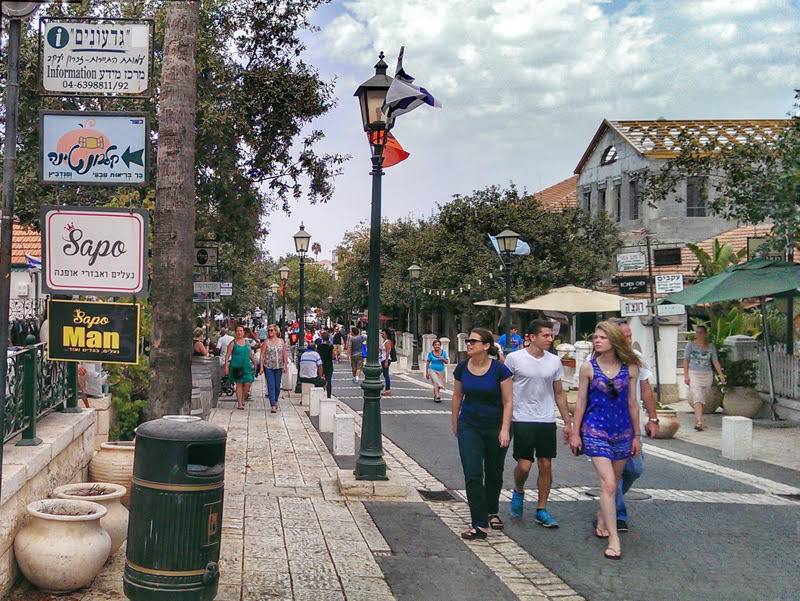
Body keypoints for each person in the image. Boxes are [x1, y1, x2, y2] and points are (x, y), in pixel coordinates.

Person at [569, 321, 640, 560]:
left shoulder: (630, 367)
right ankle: (614, 538)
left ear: (614, 341)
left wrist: (637, 435)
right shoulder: (588, 368)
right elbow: (580, 402)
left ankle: (603, 514)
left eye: (602, 337)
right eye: (595, 337)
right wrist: (575, 432)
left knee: (614, 482)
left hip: (621, 430)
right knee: (609, 483)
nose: (597, 341)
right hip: (595, 429)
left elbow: (632, 402)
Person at [504, 319, 571, 528]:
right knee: (524, 466)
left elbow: (559, 393)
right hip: (522, 418)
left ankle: (542, 509)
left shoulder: (554, 361)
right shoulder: (514, 358)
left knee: (546, 464)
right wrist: (504, 423)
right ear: (532, 337)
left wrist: (568, 423)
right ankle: (519, 489)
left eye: (551, 335)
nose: (550, 339)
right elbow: (505, 390)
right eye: (545, 335)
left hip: (545, 419)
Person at [452, 328, 513, 540]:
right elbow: (457, 396)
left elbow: (508, 401)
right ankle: (479, 523)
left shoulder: (499, 370)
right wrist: (455, 423)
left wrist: (505, 429)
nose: (468, 344)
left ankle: (491, 510)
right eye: (467, 340)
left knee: (494, 471)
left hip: (496, 426)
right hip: (469, 425)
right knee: (472, 472)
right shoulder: (461, 368)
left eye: (473, 341)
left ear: (486, 346)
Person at [607, 317, 659, 533]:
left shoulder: (636, 358)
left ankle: (607, 499)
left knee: (635, 468)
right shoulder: (599, 360)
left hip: (631, 424)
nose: (629, 340)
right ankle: (617, 514)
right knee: (612, 473)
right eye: (625, 337)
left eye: (630, 336)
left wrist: (653, 418)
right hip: (606, 425)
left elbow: (646, 389)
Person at [683, 324, 725, 431]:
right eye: (697, 332)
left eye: (701, 332)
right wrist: (686, 375)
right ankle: (699, 421)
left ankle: (699, 419)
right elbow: (686, 360)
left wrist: (720, 374)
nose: (698, 335)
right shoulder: (690, 345)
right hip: (694, 373)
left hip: (707, 374)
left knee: (703, 397)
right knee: (697, 396)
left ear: (705, 334)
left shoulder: (711, 347)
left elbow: (715, 361)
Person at [224, 325, 258, 410]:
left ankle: (243, 397)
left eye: (241, 331)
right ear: (235, 332)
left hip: (247, 366)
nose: (239, 333)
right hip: (237, 366)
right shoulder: (233, 343)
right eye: (237, 331)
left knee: (248, 382)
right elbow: (227, 355)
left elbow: (250, 353)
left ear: (244, 332)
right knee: (239, 384)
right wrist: (226, 366)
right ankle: (239, 403)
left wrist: (254, 363)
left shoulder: (247, 342)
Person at [260, 324, 288, 413]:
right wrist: (261, 367)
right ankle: (272, 405)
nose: (270, 332)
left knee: (277, 386)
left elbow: (284, 354)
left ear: (276, 331)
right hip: (268, 366)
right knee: (271, 385)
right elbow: (262, 355)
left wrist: (285, 365)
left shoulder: (281, 341)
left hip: (279, 366)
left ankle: (275, 400)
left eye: (272, 330)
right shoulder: (266, 342)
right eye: (268, 330)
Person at [425, 338, 449, 402]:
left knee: (437, 385)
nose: (437, 346)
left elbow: (447, 362)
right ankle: (438, 395)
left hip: (441, 370)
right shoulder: (430, 353)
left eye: (438, 345)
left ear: (440, 345)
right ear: (433, 346)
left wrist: (442, 358)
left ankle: (436, 396)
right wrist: (427, 372)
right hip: (432, 369)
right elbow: (427, 363)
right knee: (436, 382)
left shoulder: (443, 352)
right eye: (435, 345)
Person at [317, 331, 335, 398]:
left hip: (321, 364)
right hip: (329, 364)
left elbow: (317, 355)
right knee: (329, 380)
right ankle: (329, 395)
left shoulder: (319, 346)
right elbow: (333, 356)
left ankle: (320, 393)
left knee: (320, 378)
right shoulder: (330, 346)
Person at [379, 328, 393, 396]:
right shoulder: (384, 341)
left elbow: (388, 351)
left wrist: (386, 361)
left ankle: (388, 389)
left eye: (383, 334)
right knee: (385, 374)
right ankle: (387, 389)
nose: (382, 335)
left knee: (386, 374)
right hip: (382, 359)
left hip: (386, 359)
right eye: (381, 333)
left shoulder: (387, 342)